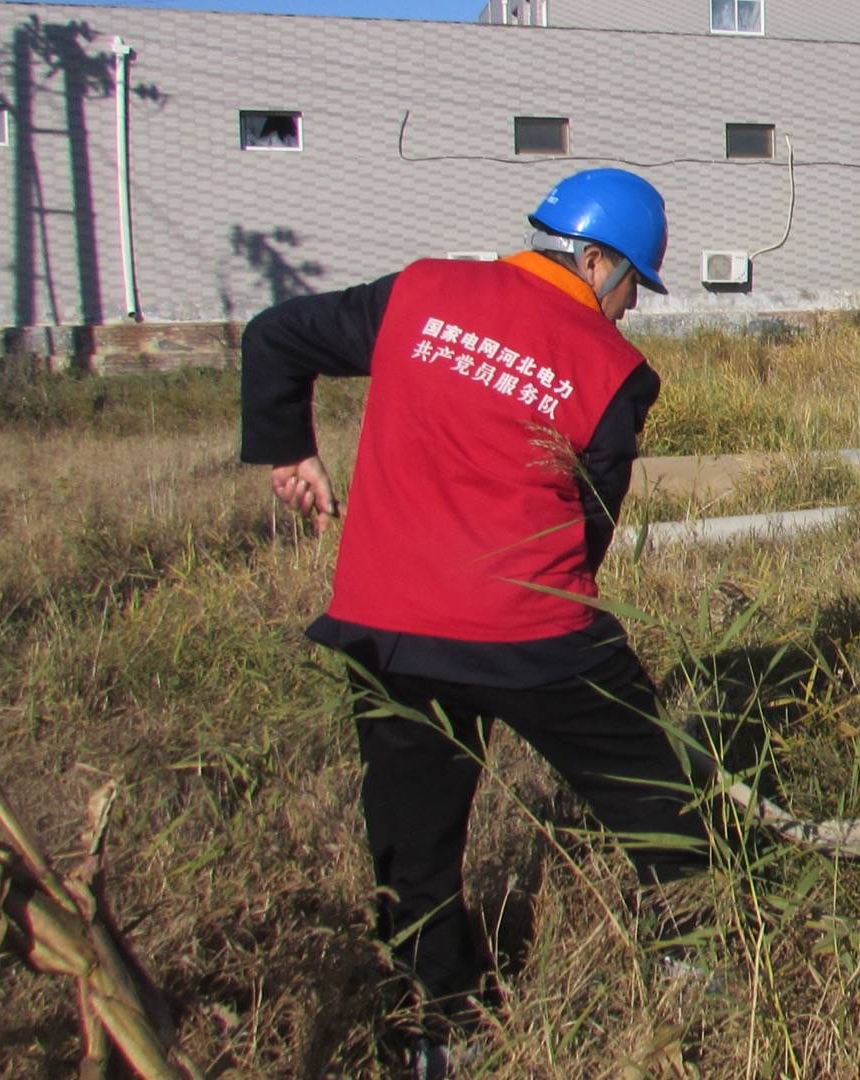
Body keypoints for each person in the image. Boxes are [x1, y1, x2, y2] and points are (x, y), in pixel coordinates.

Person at [239, 168, 708, 1065]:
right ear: (597, 260)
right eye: (631, 289)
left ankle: (443, 1024)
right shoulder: (611, 369)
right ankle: (689, 957)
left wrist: (290, 448)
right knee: (658, 791)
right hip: (533, 633)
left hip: (387, 629)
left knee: (412, 846)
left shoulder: (420, 291)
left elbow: (275, 335)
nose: (628, 311)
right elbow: (592, 518)